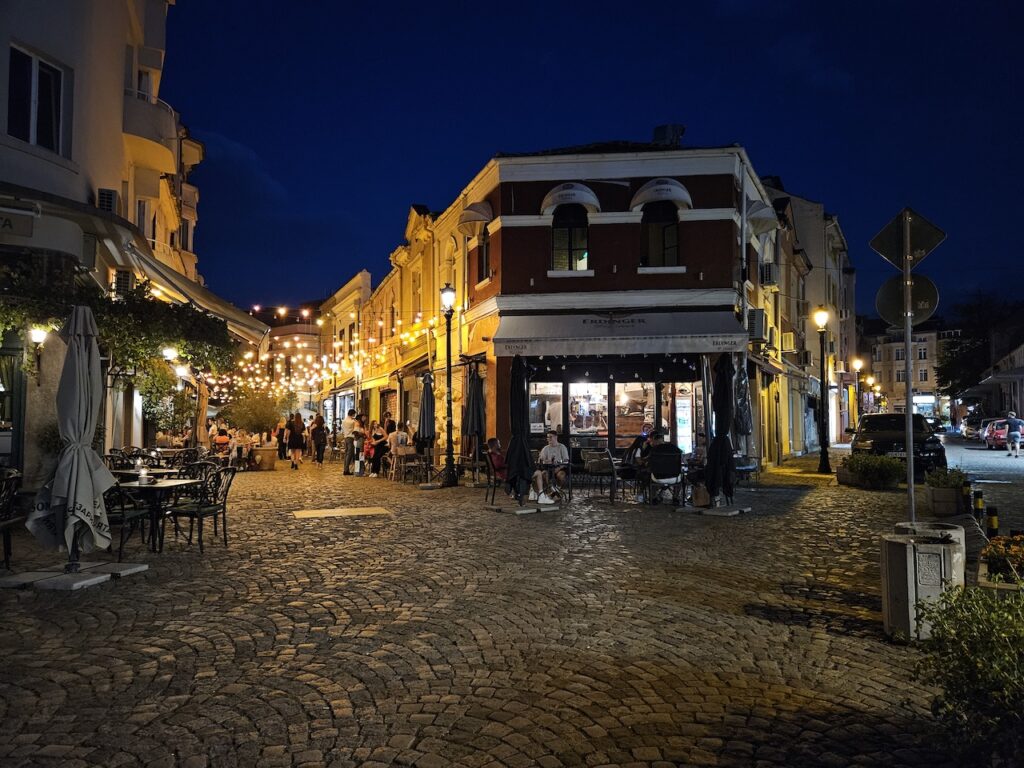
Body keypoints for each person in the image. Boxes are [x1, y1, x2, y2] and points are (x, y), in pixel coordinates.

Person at [531, 430, 569, 503]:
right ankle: (552, 490)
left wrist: (559, 466)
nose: (549, 439)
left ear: (556, 437)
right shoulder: (546, 448)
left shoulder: (562, 447)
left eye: (550, 437)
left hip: (560, 468)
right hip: (548, 468)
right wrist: (544, 460)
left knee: (561, 475)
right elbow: (541, 460)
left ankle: (557, 489)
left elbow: (566, 460)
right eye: (548, 437)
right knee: (544, 474)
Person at [340, 409, 357, 475]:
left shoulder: (344, 421)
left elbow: (343, 429)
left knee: (346, 454)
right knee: (349, 455)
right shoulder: (352, 421)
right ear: (353, 414)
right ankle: (346, 470)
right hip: (351, 438)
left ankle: (345, 469)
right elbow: (355, 430)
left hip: (346, 438)